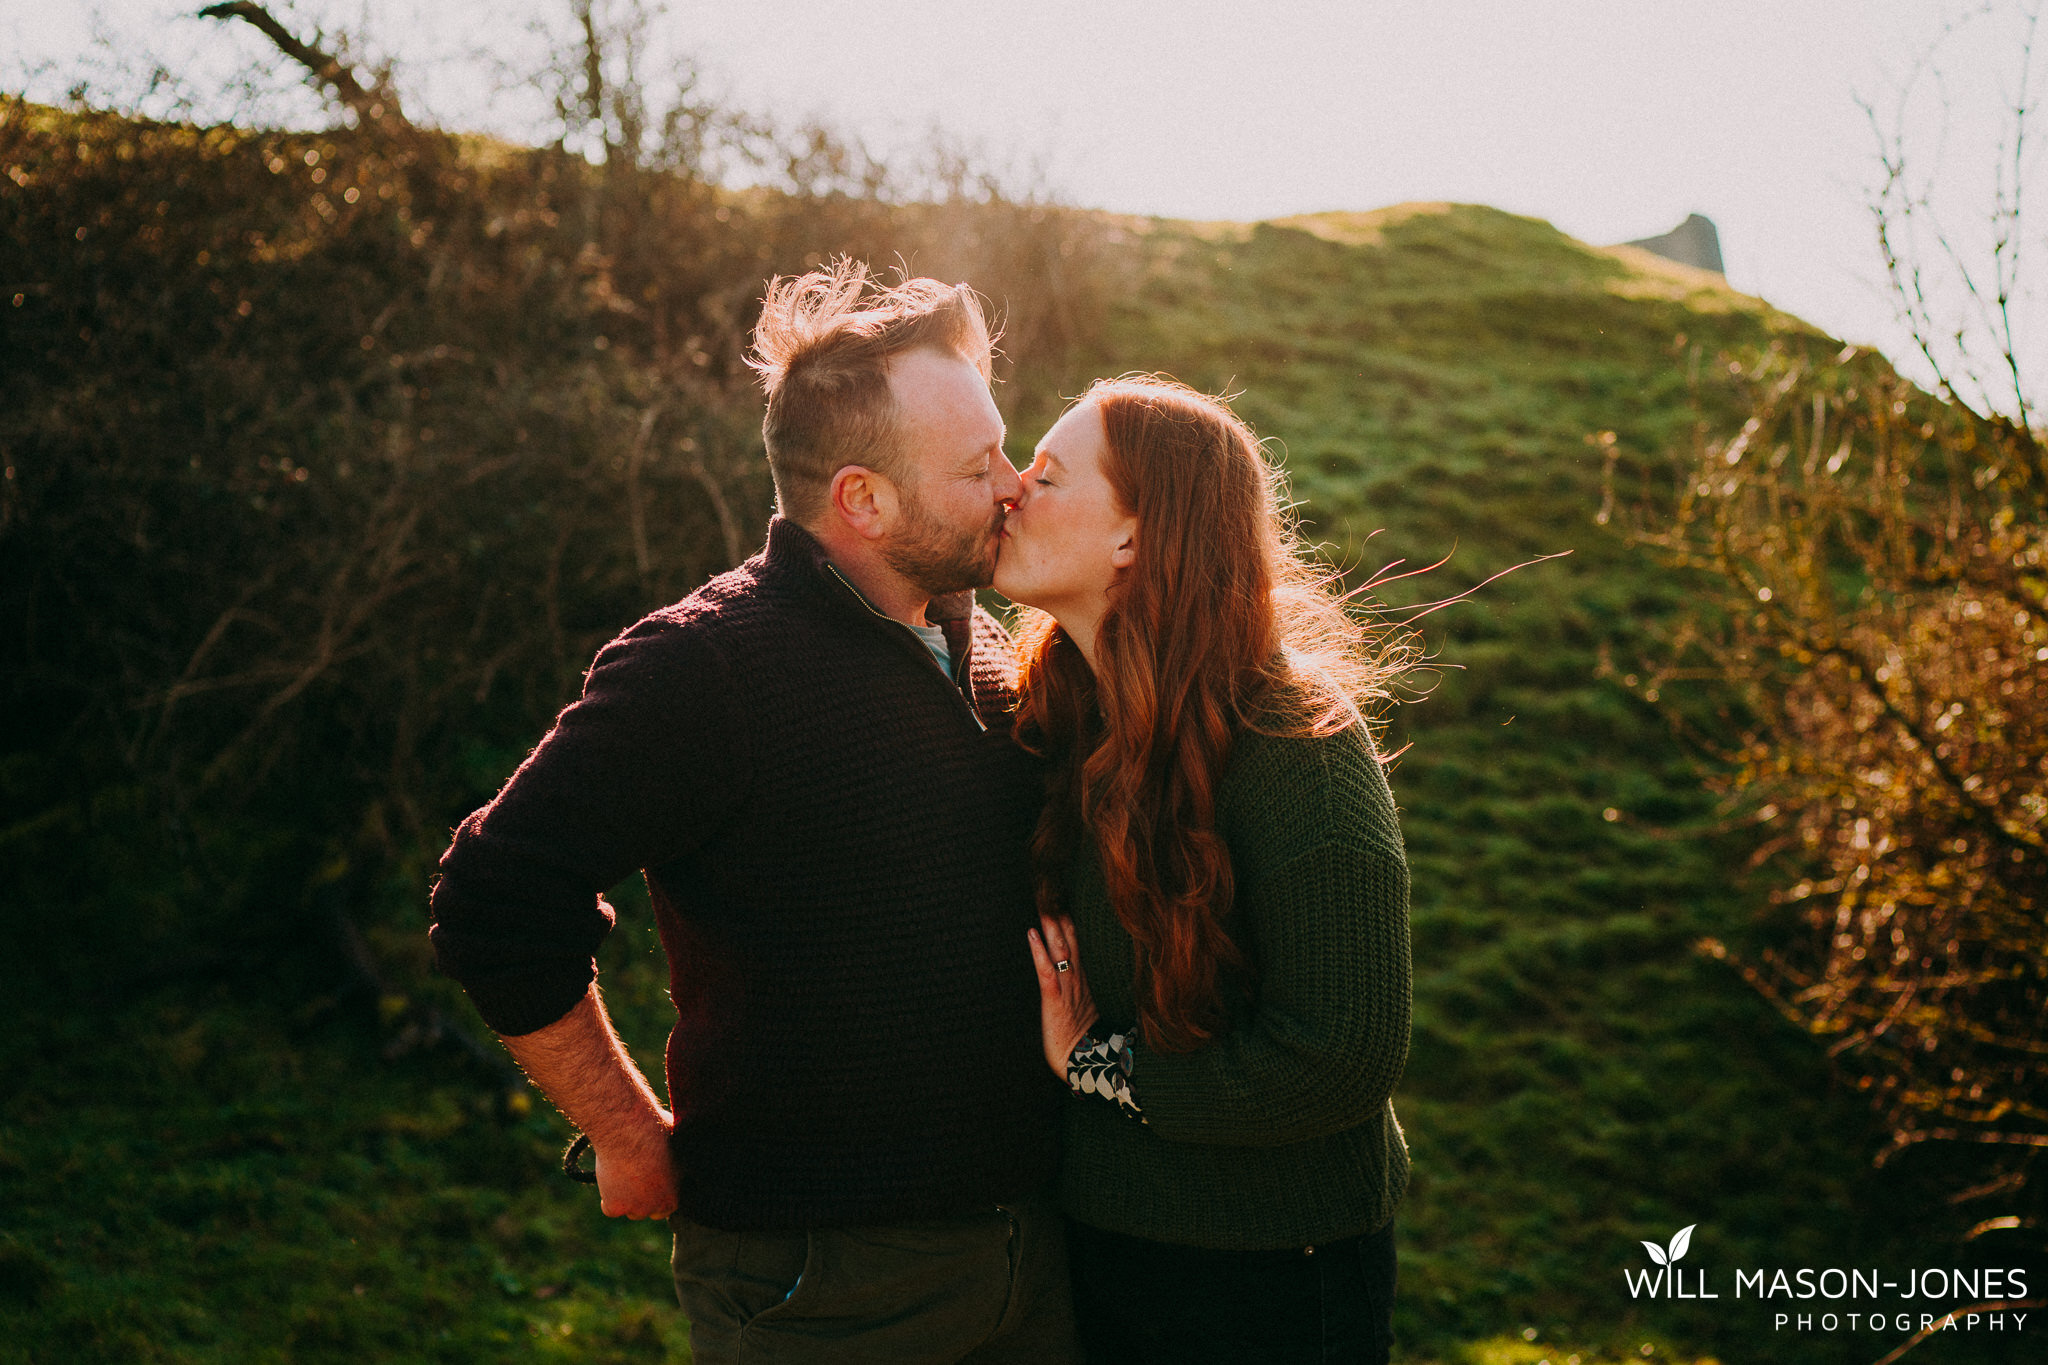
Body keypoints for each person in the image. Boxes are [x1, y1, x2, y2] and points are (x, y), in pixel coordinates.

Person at [427, 261, 1078, 1364]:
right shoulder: (703, 668)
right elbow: (495, 897)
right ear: (862, 499)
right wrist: (625, 1133)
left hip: (1035, 1254)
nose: (1014, 484)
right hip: (824, 1287)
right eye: (978, 468)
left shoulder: (977, 639)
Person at [995, 375, 1414, 1364]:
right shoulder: (1060, 718)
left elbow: (1343, 1051)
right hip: (1104, 1251)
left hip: (1275, 1276)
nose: (1011, 487)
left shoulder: (1291, 742)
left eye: (1046, 476)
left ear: (1132, 539)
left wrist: (1099, 1068)